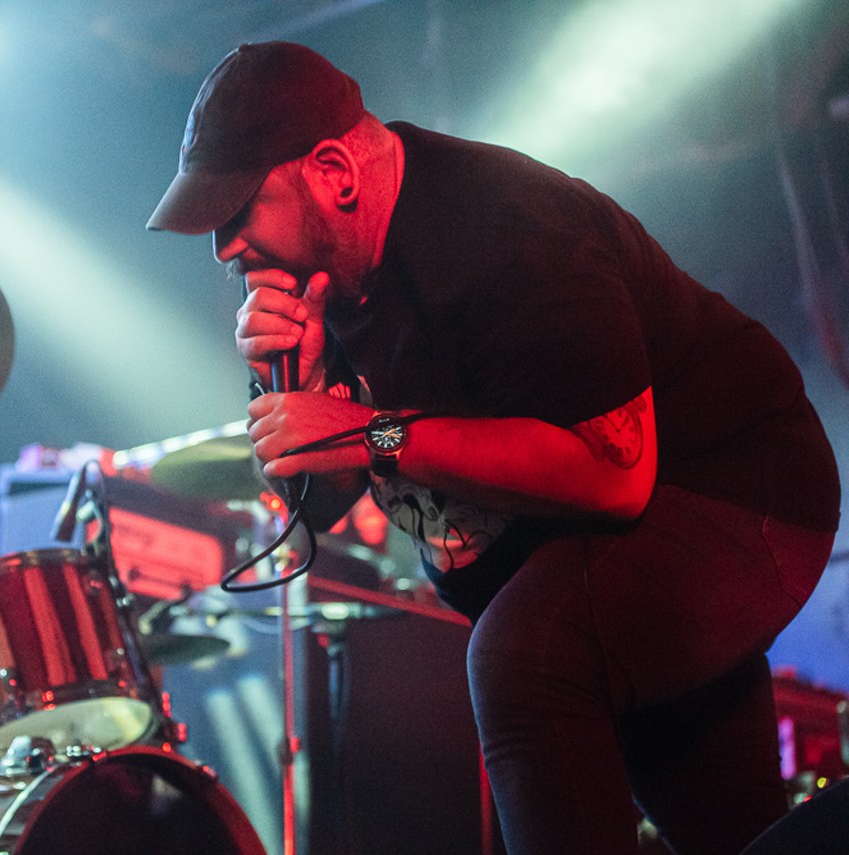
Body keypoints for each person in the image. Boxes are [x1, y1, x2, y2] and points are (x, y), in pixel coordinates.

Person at [147, 41, 841, 854]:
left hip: (733, 494)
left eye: (236, 213)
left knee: (523, 660)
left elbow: (612, 472)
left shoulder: (504, 225)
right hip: (594, 551)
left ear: (334, 172)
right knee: (740, 835)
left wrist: (369, 433)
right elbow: (323, 503)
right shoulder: (318, 276)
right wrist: (285, 385)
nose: (224, 248)